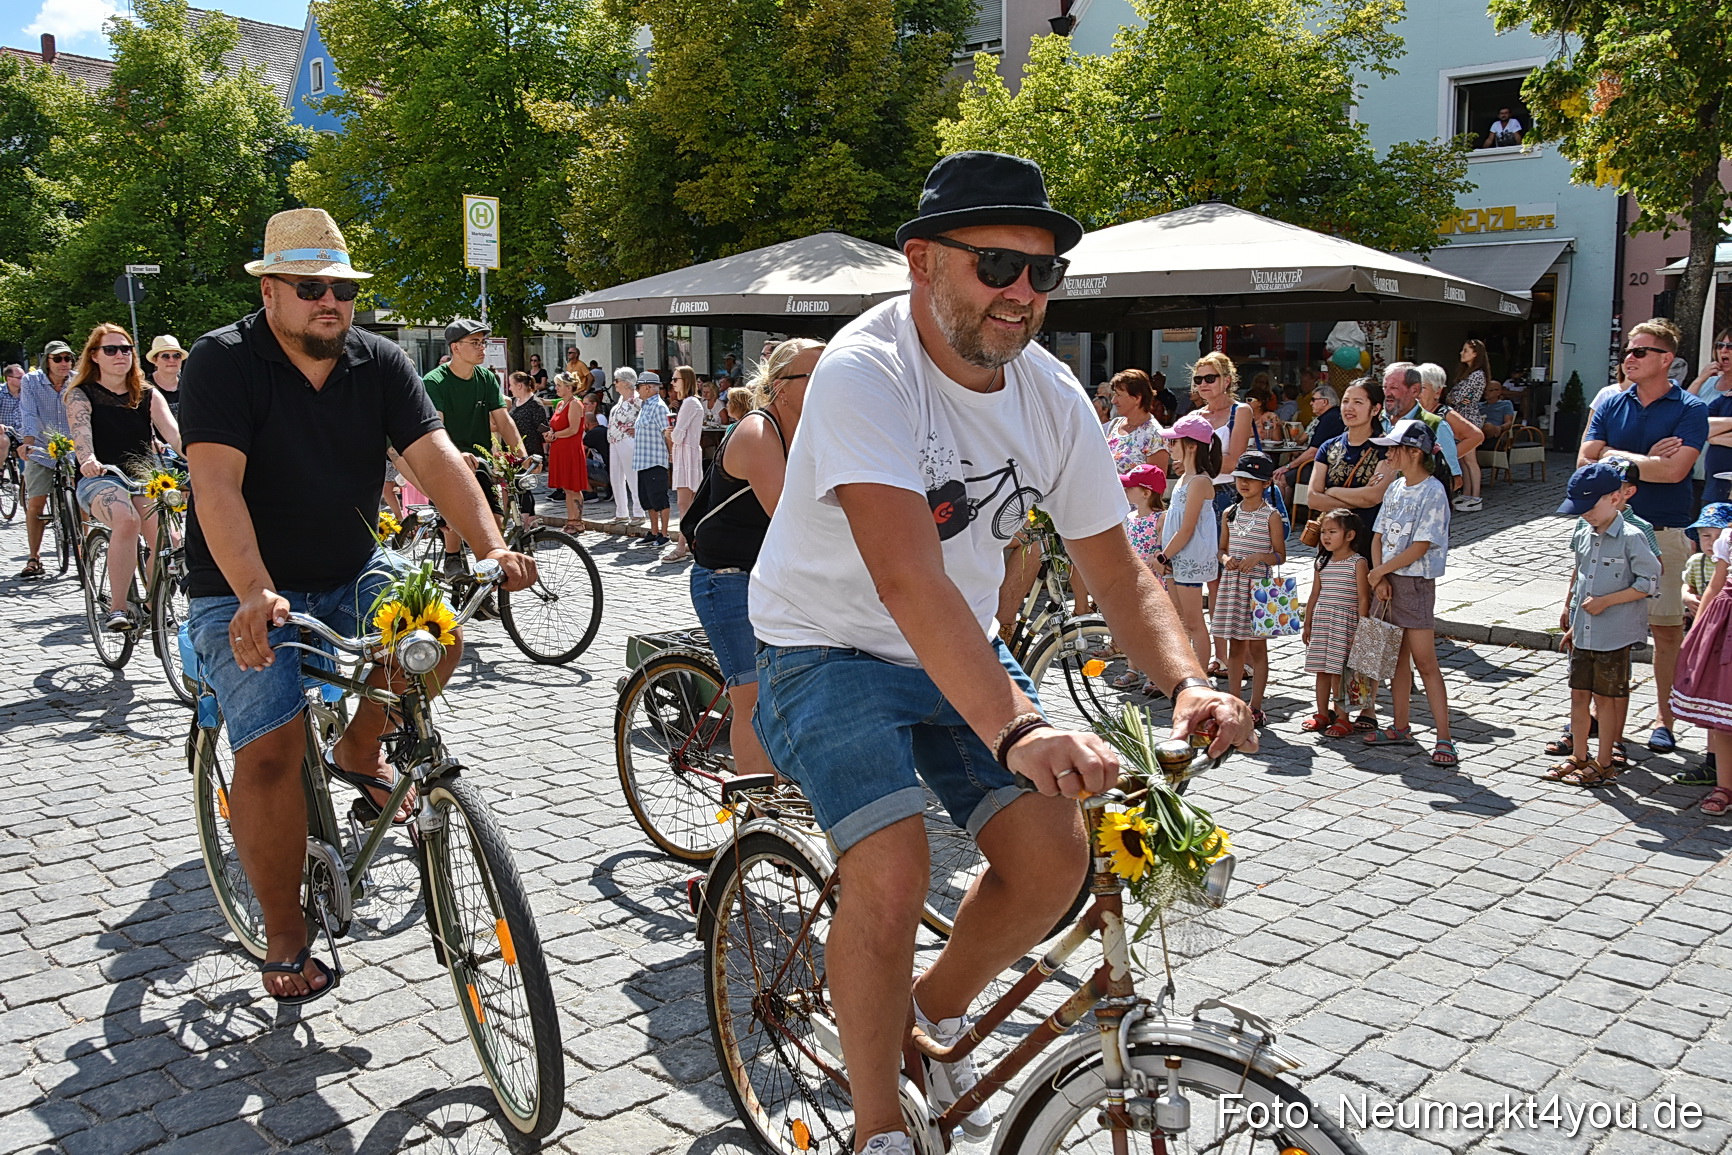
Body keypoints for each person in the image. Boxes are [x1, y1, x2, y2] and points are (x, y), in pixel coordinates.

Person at [748, 151, 1250, 1155]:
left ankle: (918, 1021)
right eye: (995, 266)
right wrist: (1019, 726)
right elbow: (906, 579)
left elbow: (1116, 572)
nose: (1022, 294)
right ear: (921, 261)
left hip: (954, 644)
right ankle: (879, 1129)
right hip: (828, 642)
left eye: (1042, 274)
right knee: (887, 870)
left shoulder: (1052, 394)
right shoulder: (862, 371)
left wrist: (1191, 678)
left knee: (1054, 856)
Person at [179, 207, 535, 1002]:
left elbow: (438, 461)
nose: (330, 302)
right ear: (270, 291)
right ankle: (283, 937)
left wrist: (488, 545)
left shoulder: (377, 362)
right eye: (311, 288)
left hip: (349, 566)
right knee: (269, 747)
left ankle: (359, 747)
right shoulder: (222, 362)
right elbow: (216, 487)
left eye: (341, 288)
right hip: (239, 588)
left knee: (434, 634)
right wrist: (251, 590)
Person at [685, 339, 822, 778]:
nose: (829, 384)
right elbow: (791, 519)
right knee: (753, 698)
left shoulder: (813, 430)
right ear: (781, 387)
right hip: (727, 579)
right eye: (815, 376)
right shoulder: (758, 431)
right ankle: (758, 821)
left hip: (774, 577)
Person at [1578, 318, 1710, 754]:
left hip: (1663, 531)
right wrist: (1641, 458)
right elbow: (1584, 463)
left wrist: (1614, 457)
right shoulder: (1612, 402)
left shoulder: (1690, 408)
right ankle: (1596, 718)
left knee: (1666, 629)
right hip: (1606, 531)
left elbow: (1675, 471)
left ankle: (1664, 719)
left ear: (1666, 360)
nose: (1627, 359)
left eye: (1639, 352)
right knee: (1600, 628)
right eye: (1627, 352)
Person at [1543, 463, 1661, 788]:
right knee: (1578, 695)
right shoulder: (1583, 531)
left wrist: (1608, 602)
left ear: (1614, 498)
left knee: (1606, 700)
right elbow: (1580, 576)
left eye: (1590, 507)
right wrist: (1572, 618)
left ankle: (1605, 761)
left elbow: (1649, 583)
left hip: (1614, 634)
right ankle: (1579, 755)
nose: (1585, 515)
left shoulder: (1633, 537)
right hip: (1583, 633)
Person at [61, 324, 183, 630]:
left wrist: (203, 460)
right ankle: (118, 609)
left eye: (126, 349)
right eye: (111, 350)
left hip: (145, 478)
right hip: (102, 477)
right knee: (125, 518)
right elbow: (81, 435)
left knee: (170, 538)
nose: (120, 355)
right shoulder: (81, 394)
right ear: (95, 356)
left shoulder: (148, 394)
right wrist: (87, 459)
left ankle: (155, 603)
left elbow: (176, 437)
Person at [1364, 419, 1456, 766]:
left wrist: (1382, 571)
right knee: (1396, 658)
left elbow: (1421, 545)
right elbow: (1378, 535)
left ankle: (1444, 736)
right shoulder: (1395, 487)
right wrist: (1380, 577)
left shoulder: (1433, 491)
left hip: (1414, 582)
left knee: (1425, 661)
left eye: (1394, 448)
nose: (1389, 454)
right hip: (1387, 580)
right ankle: (1400, 725)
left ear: (1413, 453)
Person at [422, 319, 526, 571]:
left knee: (496, 519)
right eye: (475, 343)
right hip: (446, 461)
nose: (482, 348)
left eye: (483, 342)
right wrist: (457, 455)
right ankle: (452, 557)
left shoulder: (487, 378)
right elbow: (436, 428)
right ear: (455, 348)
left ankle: (485, 579)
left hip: (481, 462)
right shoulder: (435, 381)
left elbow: (503, 420)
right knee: (455, 519)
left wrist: (522, 454)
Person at [1210, 450, 1284, 726]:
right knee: (1235, 646)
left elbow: (1280, 555)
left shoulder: (1271, 516)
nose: (1244, 484)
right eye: (1241, 477)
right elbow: (1221, 549)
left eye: (1252, 479)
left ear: (1265, 483)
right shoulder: (1230, 513)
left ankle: (1256, 705)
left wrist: (1259, 558)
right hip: (1234, 585)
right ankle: (1234, 700)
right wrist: (1227, 559)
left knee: (1258, 648)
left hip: (1260, 587)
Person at [1191, 351, 1252, 676]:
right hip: (1201, 497)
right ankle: (1221, 654)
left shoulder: (1239, 411)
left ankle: (1239, 655)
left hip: (1228, 498)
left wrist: (1198, 463)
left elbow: (1236, 461)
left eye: (1210, 378)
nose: (1203, 384)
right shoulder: (1196, 415)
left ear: (1227, 380)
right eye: (1198, 379)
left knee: (1233, 578)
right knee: (1211, 582)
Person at [1672, 500, 1732, 813]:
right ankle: (1725, 785)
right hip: (1726, 629)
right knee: (1724, 716)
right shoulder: (1728, 539)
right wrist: (1697, 631)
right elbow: (1715, 586)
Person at [1151, 412, 1221, 667]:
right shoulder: (1184, 478)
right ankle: (1185, 668)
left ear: (1191, 446)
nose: (1169, 447)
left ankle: (1201, 677)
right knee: (1179, 619)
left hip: (1187, 559)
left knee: (1193, 621)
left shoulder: (1200, 482)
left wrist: (1163, 555)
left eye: (1174, 442)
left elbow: (1187, 528)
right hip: (1176, 559)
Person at [1302, 508, 1370, 736]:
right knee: (1321, 670)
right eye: (1323, 532)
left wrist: (1362, 628)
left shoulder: (1358, 563)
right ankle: (1322, 713)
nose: (1325, 537)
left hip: (1344, 625)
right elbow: (1314, 594)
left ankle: (1343, 717)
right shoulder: (1321, 562)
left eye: (1332, 532)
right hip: (1323, 622)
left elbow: (1363, 598)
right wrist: (1308, 622)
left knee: (1340, 673)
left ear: (1349, 535)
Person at [16, 340, 76, 579]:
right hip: (41, 447)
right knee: (36, 502)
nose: (64, 363)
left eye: (68, 358)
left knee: (82, 499)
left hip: (73, 446)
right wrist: (28, 442)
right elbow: (29, 412)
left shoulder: (78, 380)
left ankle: (83, 552)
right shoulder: (31, 381)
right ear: (47, 361)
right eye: (58, 359)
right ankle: (34, 557)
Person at [1109, 462, 1167, 693]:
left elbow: (1162, 545)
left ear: (1146, 492)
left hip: (1153, 579)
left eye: (1131, 487)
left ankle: (1155, 672)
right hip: (1132, 577)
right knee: (1132, 625)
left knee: (1153, 626)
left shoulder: (1160, 518)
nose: (1126, 490)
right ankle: (1132, 668)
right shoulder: (1129, 517)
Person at [1418, 363, 1484, 510]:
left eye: (1422, 388)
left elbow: (1476, 436)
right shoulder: (1414, 412)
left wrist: (1445, 459)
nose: (1416, 393)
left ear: (1437, 392)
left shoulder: (1445, 414)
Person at [1382, 361, 1459, 484]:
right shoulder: (1375, 420)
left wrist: (1417, 492)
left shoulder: (1435, 425)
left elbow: (1454, 479)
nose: (1387, 393)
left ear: (1415, 390)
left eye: (1394, 388)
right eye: (1385, 387)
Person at [1273, 383, 1343, 506]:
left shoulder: (1329, 419)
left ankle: (1278, 517)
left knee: (1279, 477)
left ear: (1325, 402)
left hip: (1322, 471)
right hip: (1327, 467)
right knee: (1287, 477)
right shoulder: (1332, 416)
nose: (1311, 403)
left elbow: (1313, 452)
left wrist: (1288, 466)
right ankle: (1289, 515)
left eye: (1313, 400)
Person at [663, 365, 706, 561]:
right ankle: (689, 542)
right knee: (688, 504)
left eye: (675, 379)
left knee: (684, 505)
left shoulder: (689, 403)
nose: (672, 383)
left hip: (686, 456)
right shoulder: (690, 403)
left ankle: (682, 546)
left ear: (685, 381)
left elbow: (679, 436)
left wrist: (669, 433)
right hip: (686, 455)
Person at [631, 371, 673, 548]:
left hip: (655, 459)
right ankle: (653, 531)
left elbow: (668, 433)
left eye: (639, 387)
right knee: (646, 498)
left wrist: (671, 455)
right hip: (643, 460)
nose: (637, 390)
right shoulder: (645, 405)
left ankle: (664, 534)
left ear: (648, 387)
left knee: (659, 498)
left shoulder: (659, 407)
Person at [1448, 343, 1490, 509]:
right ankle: (1467, 493)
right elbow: (1453, 396)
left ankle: (1476, 497)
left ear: (1475, 353)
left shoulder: (1477, 375)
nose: (1461, 352)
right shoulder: (1467, 374)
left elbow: (1458, 397)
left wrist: (1454, 397)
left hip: (1469, 419)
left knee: (1470, 459)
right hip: (1461, 417)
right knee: (1463, 458)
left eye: (1466, 350)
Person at [545, 370, 588, 530]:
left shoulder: (575, 403)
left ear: (569, 387)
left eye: (559, 385)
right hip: (559, 448)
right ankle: (571, 519)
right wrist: (550, 434)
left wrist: (554, 434)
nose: (556, 388)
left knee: (572, 486)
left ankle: (577, 521)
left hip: (570, 449)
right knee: (565, 487)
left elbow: (573, 429)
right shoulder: (561, 403)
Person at [506, 371, 550, 523]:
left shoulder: (535, 404)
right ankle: (528, 518)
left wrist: (543, 452)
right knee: (518, 485)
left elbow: (543, 428)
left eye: (511, 385)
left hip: (530, 451)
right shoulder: (514, 402)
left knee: (522, 485)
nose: (510, 388)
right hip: (515, 451)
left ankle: (526, 518)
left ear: (519, 385)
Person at [1696, 329, 1732, 505]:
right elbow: (1694, 422)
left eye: (1730, 346)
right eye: (1720, 346)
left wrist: (1712, 436)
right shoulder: (1711, 385)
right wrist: (1701, 379)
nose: (1724, 351)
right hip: (1699, 474)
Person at [607, 367, 643, 523]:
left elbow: (646, 415)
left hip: (627, 439)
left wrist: (638, 428)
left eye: (617, 381)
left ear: (627, 383)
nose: (615, 384)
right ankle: (621, 512)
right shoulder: (621, 400)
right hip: (614, 440)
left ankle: (639, 512)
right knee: (616, 477)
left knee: (632, 476)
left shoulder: (637, 399)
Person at [145, 335, 187, 417]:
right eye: (165, 356)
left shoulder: (189, 385)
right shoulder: (144, 389)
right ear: (155, 360)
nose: (172, 360)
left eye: (176, 356)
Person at [1479, 378, 1517, 444]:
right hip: (1478, 430)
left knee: (1488, 426)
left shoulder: (1505, 404)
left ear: (1498, 392)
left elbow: (1508, 423)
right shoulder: (1479, 405)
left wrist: (1499, 428)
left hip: (1494, 434)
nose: (1486, 392)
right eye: (1485, 390)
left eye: (1490, 390)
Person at [0, 363, 22, 467]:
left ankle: (26, 479)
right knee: (3, 441)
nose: (24, 380)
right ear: (9, 379)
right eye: (20, 378)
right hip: (5, 430)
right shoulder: (1, 392)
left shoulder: (27, 393)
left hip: (23, 431)